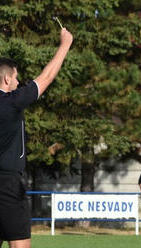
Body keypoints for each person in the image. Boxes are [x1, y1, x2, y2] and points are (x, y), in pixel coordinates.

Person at [0, 28, 73, 248]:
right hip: (8, 184)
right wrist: (65, 45)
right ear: (6, 78)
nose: (18, 81)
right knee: (19, 243)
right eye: (16, 77)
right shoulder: (11, 102)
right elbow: (46, 77)